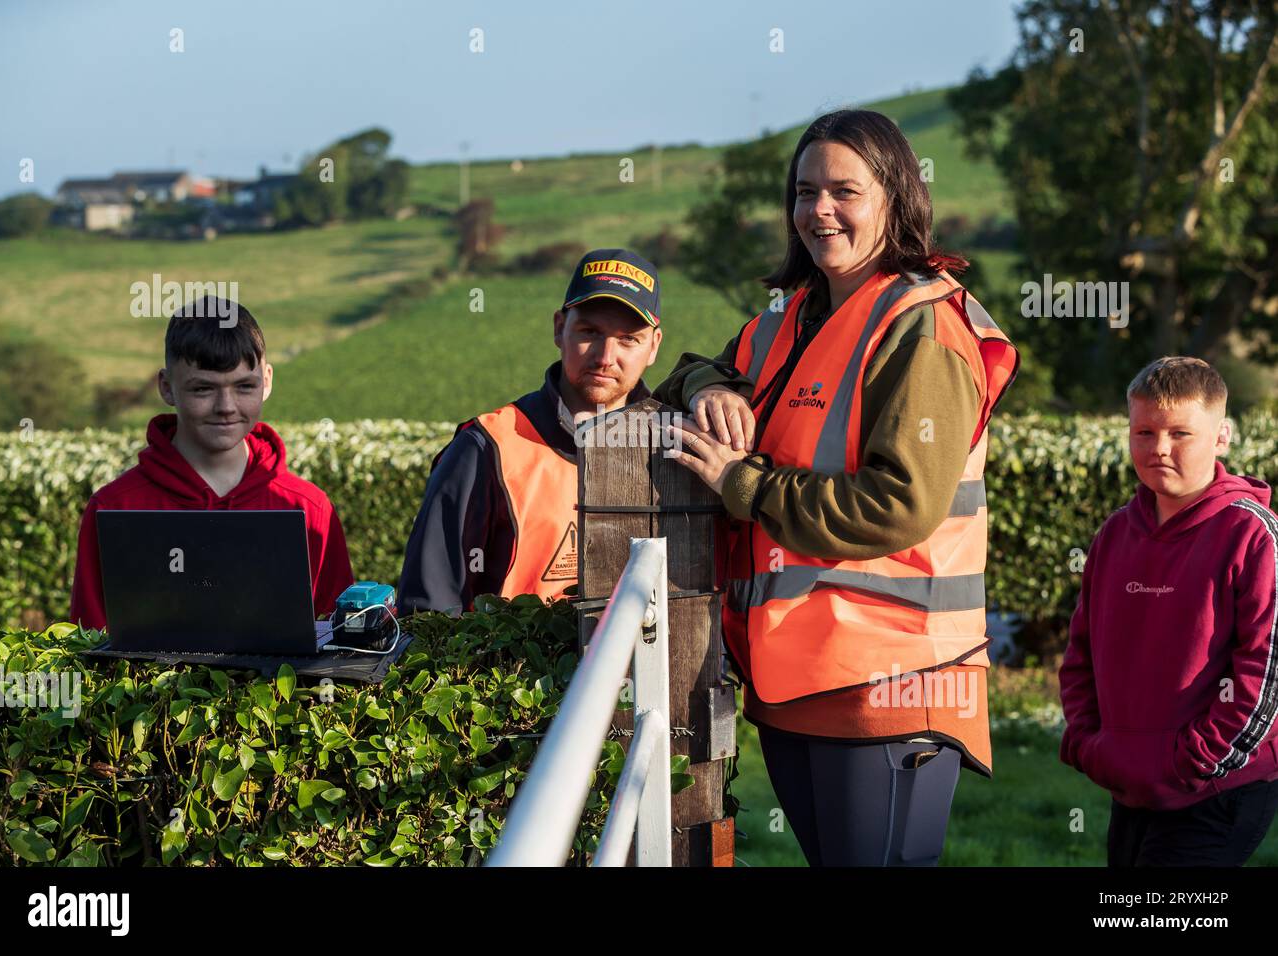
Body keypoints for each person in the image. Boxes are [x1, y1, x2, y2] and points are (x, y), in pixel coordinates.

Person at [653, 109, 1018, 866]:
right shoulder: (786, 319)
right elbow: (687, 370)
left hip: (893, 685)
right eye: (804, 190)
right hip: (799, 684)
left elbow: (900, 504)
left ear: (896, 199)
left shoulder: (924, 327)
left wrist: (742, 484)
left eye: (844, 191)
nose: (819, 210)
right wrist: (707, 386)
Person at [1059, 356, 1278, 866]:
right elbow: (1080, 654)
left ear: (1221, 437)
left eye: (1181, 433)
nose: (1159, 448)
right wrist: (1094, 745)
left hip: (1215, 789)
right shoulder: (1115, 534)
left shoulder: (1253, 536)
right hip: (1128, 785)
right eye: (1144, 431)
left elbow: (1265, 674)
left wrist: (1190, 763)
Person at [396, 249, 663, 615]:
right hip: (514, 672)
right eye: (589, 332)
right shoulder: (486, 446)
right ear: (559, 328)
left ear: (654, 346)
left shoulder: (672, 446)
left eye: (628, 339)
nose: (605, 356)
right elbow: (429, 612)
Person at [69, 297, 354, 630]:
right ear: (166, 387)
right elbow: (90, 647)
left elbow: (338, 644)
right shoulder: (114, 508)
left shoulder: (309, 509)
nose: (226, 407)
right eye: (203, 388)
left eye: (245, 386)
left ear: (268, 381)